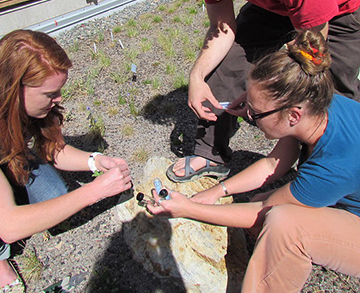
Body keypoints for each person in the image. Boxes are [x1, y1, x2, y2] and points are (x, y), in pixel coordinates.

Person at [137, 0, 360, 183]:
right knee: (228, 65)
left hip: (340, 4)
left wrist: (264, 90)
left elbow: (311, 54)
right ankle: (210, 153)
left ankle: (323, 174)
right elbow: (222, 27)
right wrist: (197, 76)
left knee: (328, 90)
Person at [147, 30, 360, 293]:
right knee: (264, 203)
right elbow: (274, 164)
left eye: (255, 113)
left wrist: (188, 209)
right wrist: (217, 191)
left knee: (283, 225)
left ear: (293, 116)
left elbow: (261, 212)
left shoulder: (334, 166)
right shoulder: (318, 105)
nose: (247, 114)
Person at [0, 30, 132, 292]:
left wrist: (95, 161)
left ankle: (4, 183)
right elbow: (7, 226)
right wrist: (94, 190)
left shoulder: (25, 102)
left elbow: (54, 150)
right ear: (13, 89)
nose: (59, 99)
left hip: (0, 151)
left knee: (55, 195)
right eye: (51, 93)